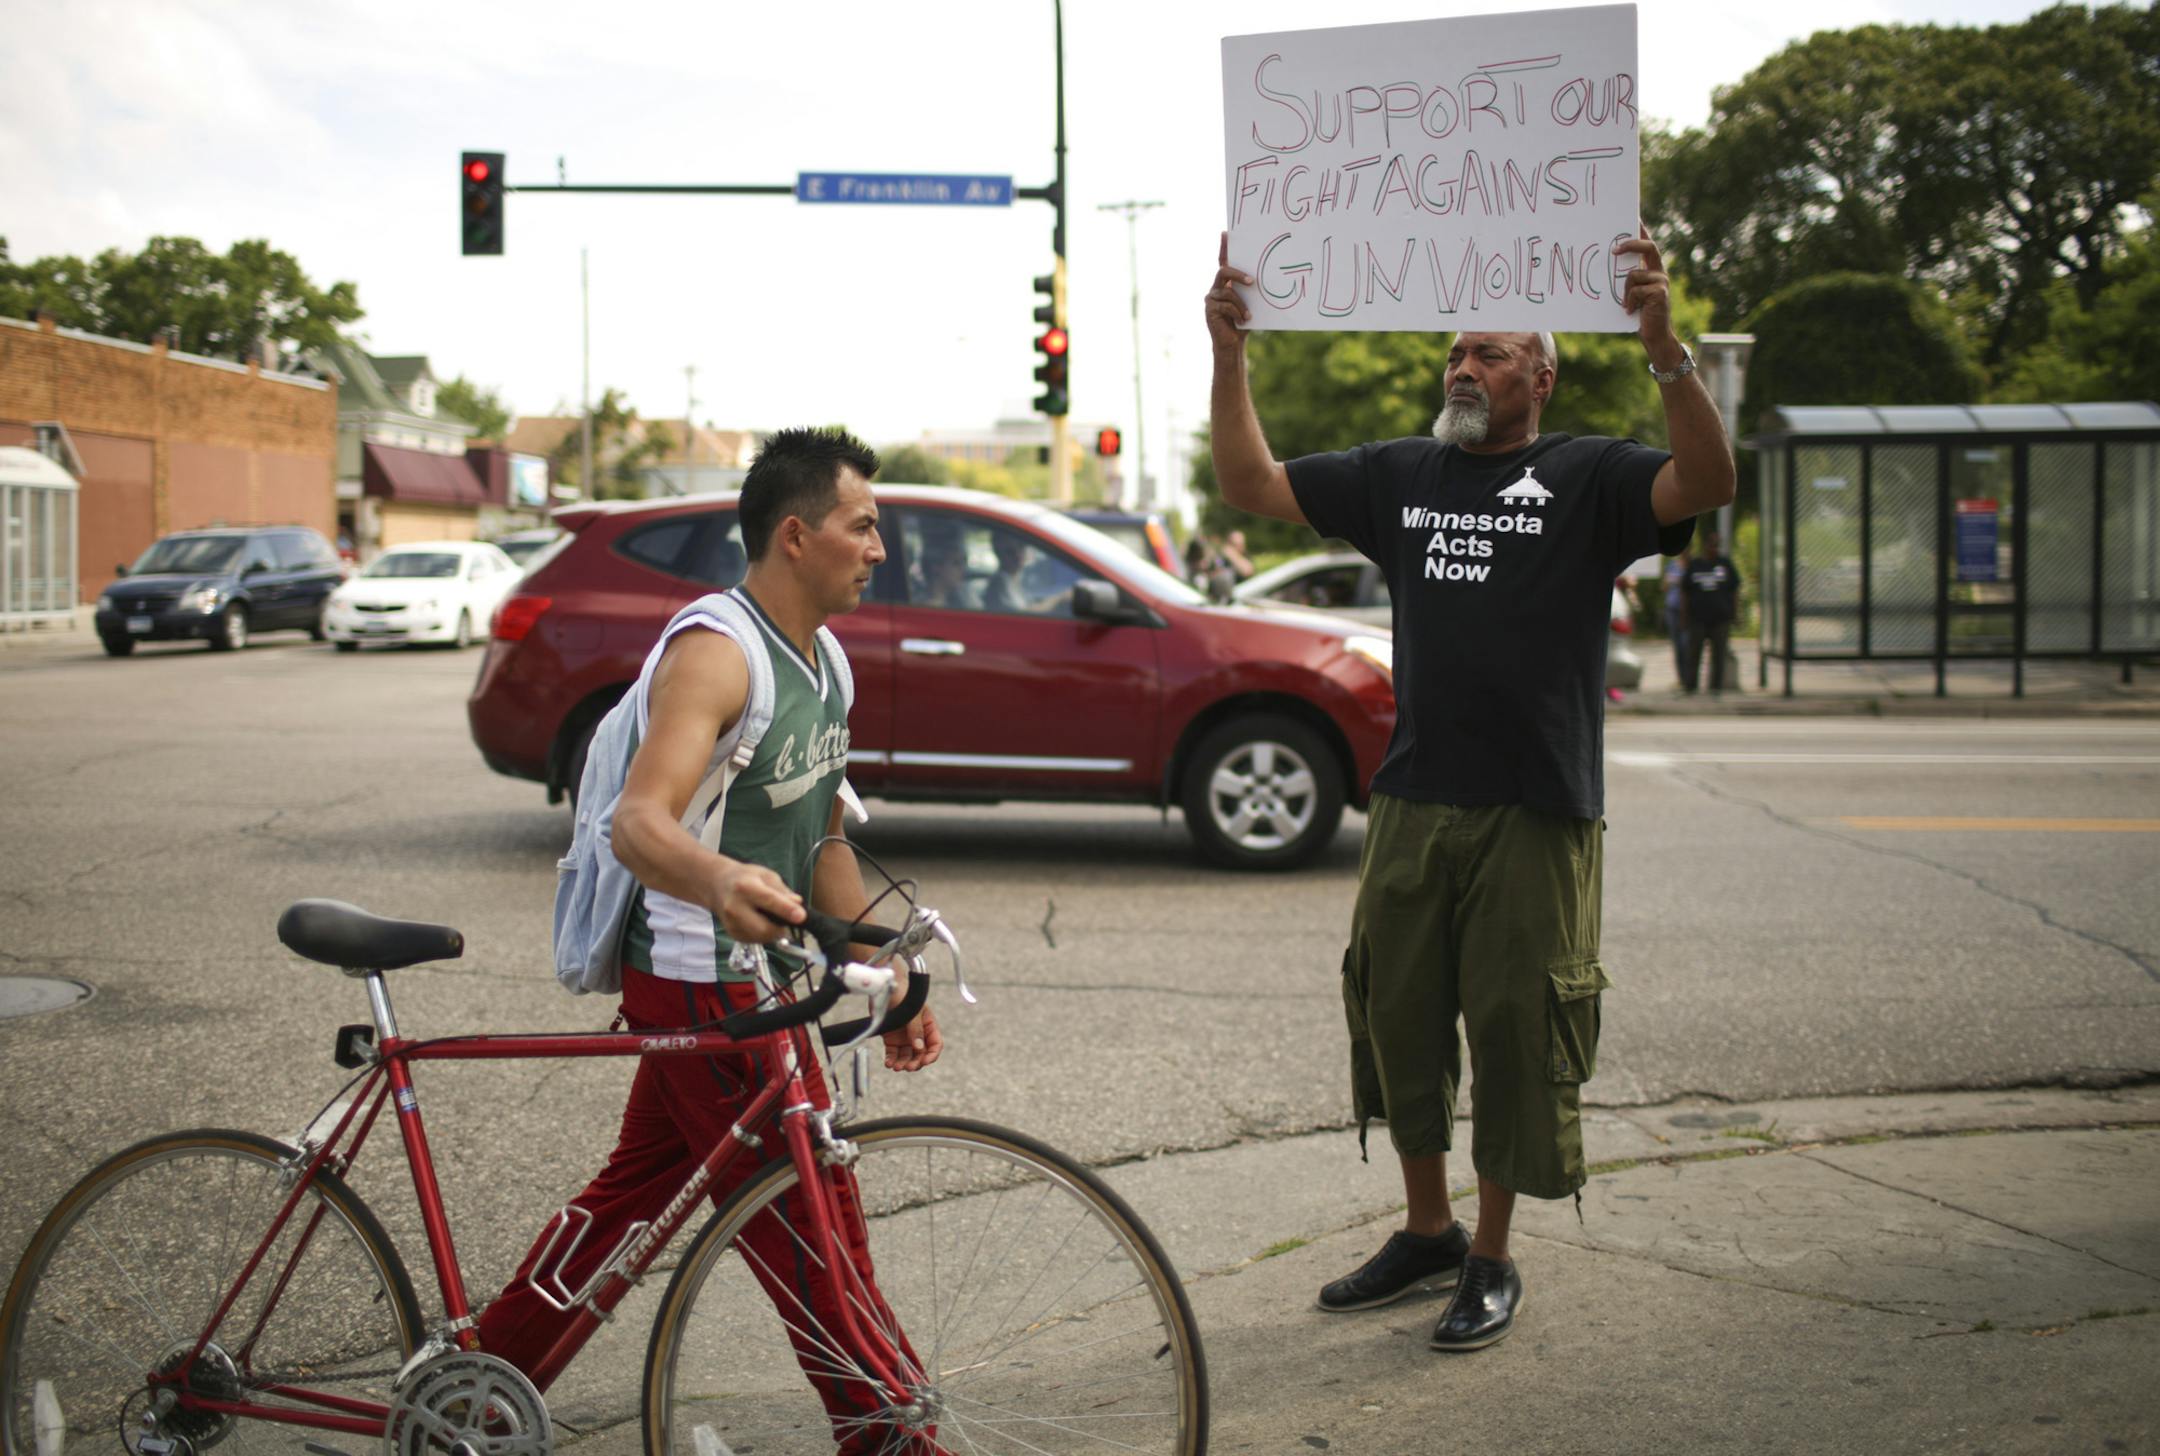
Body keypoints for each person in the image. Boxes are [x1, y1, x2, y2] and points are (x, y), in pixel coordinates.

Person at [1203, 228, 1733, 1352]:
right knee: (1396, 1016)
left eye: (1489, 354)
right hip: (1413, 794)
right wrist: (1229, 350)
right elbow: (1248, 481)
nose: (1462, 368)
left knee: (1511, 1026)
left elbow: (1712, 480)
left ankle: (1491, 1255)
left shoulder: (1592, 473)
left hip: (1535, 805)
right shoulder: (1404, 473)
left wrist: (1663, 346)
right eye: (1456, 351)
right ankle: (1427, 1227)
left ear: (1541, 375)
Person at [474, 427, 943, 1433]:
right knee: (817, 1233)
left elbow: (821, 847)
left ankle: (478, 1380)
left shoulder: (826, 666)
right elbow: (637, 822)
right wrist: (718, 876)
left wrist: (885, 974)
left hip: (756, 977)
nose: (878, 548)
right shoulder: (717, 654)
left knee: (628, 1198)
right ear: (794, 534)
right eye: (862, 527)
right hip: (703, 978)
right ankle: (895, 1437)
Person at [1682, 527, 1743, 693]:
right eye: (1711, 544)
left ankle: (1716, 687)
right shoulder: (1695, 565)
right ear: (1705, 546)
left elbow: (1735, 590)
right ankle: (1690, 686)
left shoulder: (1725, 564)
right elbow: (1685, 592)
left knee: (1719, 654)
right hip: (1698, 617)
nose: (1714, 548)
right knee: (1694, 653)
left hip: (1720, 617)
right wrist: (1684, 616)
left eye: (1717, 545)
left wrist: (1735, 613)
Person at [1663, 546, 1694, 691]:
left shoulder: (1693, 566)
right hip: (1673, 608)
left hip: (1687, 611)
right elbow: (1665, 585)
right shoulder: (1673, 565)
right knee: (1677, 645)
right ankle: (1681, 677)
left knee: (1686, 644)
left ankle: (1689, 677)